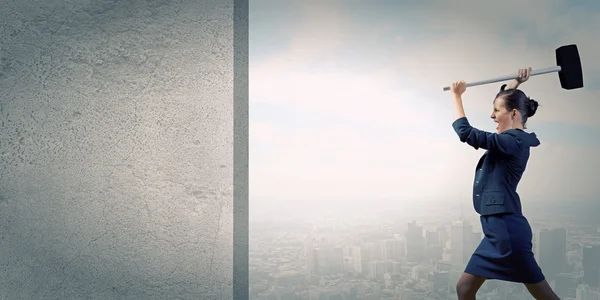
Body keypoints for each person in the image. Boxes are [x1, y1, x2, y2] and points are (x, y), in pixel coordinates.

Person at [449, 68, 560, 300]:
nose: (492, 116)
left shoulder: (513, 142)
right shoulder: (511, 139)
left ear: (513, 114)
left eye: (496, 111)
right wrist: (515, 82)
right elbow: (508, 100)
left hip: (507, 231)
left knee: (544, 295)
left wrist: (457, 96)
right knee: (464, 288)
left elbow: (467, 133)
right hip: (496, 231)